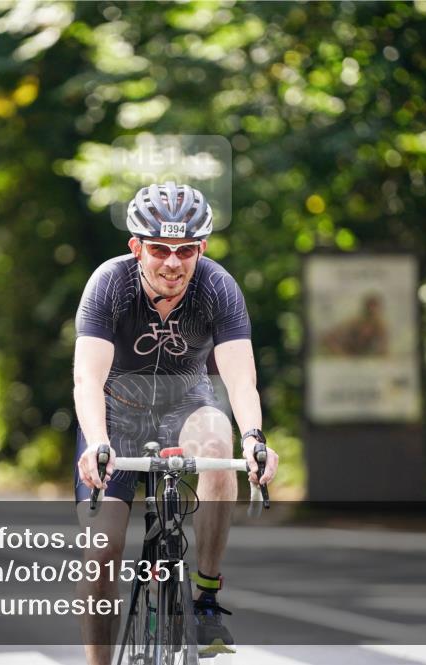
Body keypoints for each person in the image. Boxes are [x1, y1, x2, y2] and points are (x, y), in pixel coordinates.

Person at [73, 181, 279, 663]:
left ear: (201, 248)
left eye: (186, 250)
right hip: (115, 416)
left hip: (187, 406)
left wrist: (253, 438)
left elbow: (241, 380)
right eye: (160, 249)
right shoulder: (109, 284)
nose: (173, 262)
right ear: (136, 247)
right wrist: (97, 442)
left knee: (217, 439)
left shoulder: (217, 286)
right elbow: (87, 379)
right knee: (103, 550)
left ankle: (206, 595)